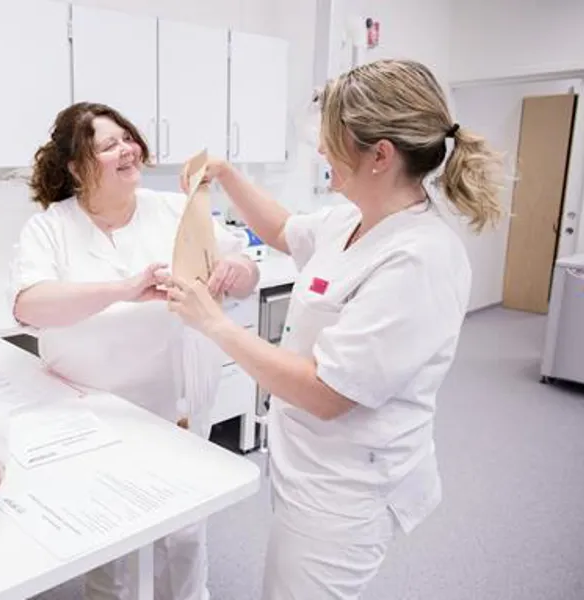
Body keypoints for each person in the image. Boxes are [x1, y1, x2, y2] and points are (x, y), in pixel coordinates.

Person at [164, 59, 505, 599]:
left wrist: (214, 324)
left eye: (331, 141)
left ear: (381, 154)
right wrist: (227, 177)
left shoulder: (418, 259)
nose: (321, 152)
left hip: (347, 490)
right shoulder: (353, 218)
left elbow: (327, 392)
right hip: (307, 462)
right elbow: (280, 229)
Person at [8, 101, 260, 600]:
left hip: (177, 403)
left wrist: (239, 272)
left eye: (128, 138)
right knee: (110, 539)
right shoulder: (51, 228)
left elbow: (244, 266)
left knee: (185, 534)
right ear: (78, 168)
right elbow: (29, 305)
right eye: (108, 145)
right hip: (95, 415)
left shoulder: (173, 209)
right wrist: (124, 288)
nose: (128, 149)